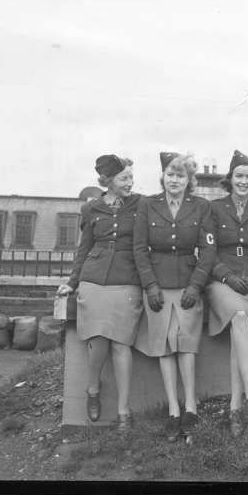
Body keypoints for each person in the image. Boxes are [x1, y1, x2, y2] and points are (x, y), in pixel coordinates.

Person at [133, 152, 216, 442]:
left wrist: (195, 286)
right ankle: (172, 410)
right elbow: (139, 248)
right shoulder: (147, 205)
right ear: (163, 176)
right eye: (170, 174)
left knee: (186, 345)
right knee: (164, 346)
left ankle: (190, 407)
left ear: (189, 180)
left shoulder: (201, 207)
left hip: (186, 285)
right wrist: (150, 285)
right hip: (157, 285)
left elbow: (208, 250)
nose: (174, 180)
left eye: (180, 175)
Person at [57, 155, 143, 430]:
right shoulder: (91, 209)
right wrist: (72, 281)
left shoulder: (141, 205)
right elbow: (85, 247)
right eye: (124, 179)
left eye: (131, 177)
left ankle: (123, 411)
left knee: (121, 344)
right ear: (108, 182)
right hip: (93, 280)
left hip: (127, 279)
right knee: (99, 340)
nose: (130, 183)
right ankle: (93, 388)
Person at [206, 150, 248, 437]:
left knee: (238, 324)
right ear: (230, 179)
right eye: (239, 176)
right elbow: (208, 252)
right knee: (239, 315)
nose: (243, 181)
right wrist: (227, 276)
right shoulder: (214, 208)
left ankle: (234, 409)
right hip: (222, 282)